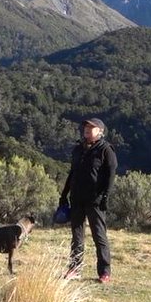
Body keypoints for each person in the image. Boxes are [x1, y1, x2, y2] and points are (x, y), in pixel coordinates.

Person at [59, 117, 116, 283]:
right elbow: (72, 173)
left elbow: (111, 175)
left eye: (91, 127)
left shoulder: (106, 150)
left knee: (99, 235)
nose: (87, 129)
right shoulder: (78, 149)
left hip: (95, 200)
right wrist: (64, 195)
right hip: (77, 198)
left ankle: (104, 272)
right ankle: (75, 269)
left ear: (100, 131)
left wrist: (105, 196)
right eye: (86, 126)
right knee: (77, 236)